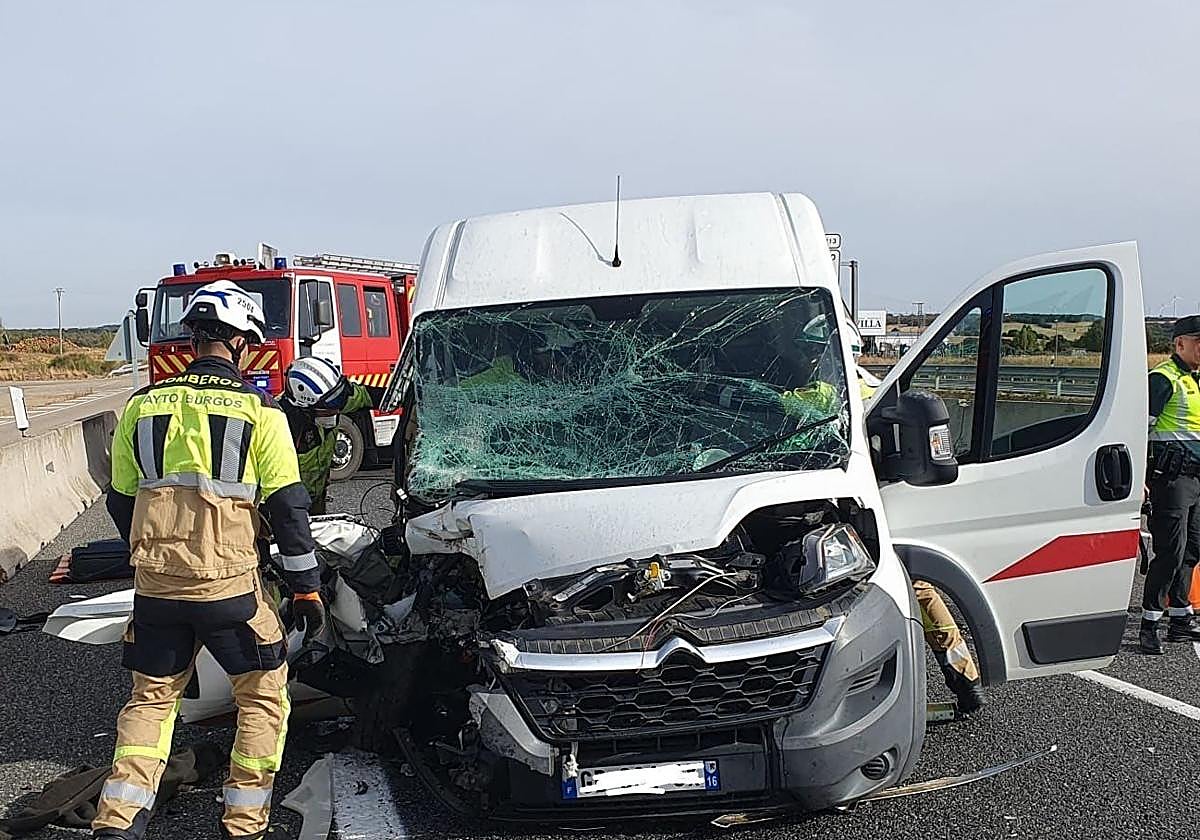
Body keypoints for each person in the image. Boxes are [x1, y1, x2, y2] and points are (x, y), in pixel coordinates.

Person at [94, 279, 325, 840]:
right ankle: (244, 825)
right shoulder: (260, 412)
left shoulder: (141, 407)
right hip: (230, 592)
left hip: (156, 591)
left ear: (193, 340)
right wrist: (306, 588)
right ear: (244, 345)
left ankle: (117, 822)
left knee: (150, 701)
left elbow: (121, 500)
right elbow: (290, 510)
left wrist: (152, 555)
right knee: (263, 697)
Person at [855, 332, 985, 714]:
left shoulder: (816, 392)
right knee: (919, 591)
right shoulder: (870, 385)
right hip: (887, 503)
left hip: (848, 510)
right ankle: (965, 678)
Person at [1140, 315, 1200, 654]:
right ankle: (1150, 624)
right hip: (1171, 479)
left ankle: (1180, 619)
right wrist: (1143, 480)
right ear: (1179, 344)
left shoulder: (1195, 379)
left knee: (1192, 550)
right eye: (1198, 342)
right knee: (1170, 553)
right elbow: (1140, 431)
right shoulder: (1163, 379)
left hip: (1195, 479)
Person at [280, 357, 373, 515]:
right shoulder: (280, 423)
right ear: (305, 406)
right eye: (328, 410)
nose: (336, 412)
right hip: (288, 505)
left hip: (317, 497)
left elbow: (363, 396)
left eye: (338, 407)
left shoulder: (332, 398)